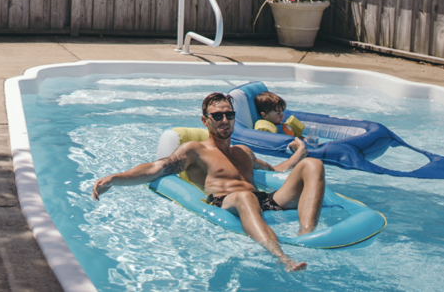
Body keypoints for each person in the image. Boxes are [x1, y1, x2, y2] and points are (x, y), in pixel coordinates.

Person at [91, 92, 325, 272]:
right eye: (217, 115)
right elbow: (156, 167)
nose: (225, 119)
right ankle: (282, 258)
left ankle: (307, 235)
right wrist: (116, 178)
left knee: (314, 165)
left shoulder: (243, 151)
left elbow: (276, 169)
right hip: (227, 201)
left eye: (229, 115)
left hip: (262, 200)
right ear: (205, 120)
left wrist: (300, 152)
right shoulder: (195, 150)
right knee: (244, 197)